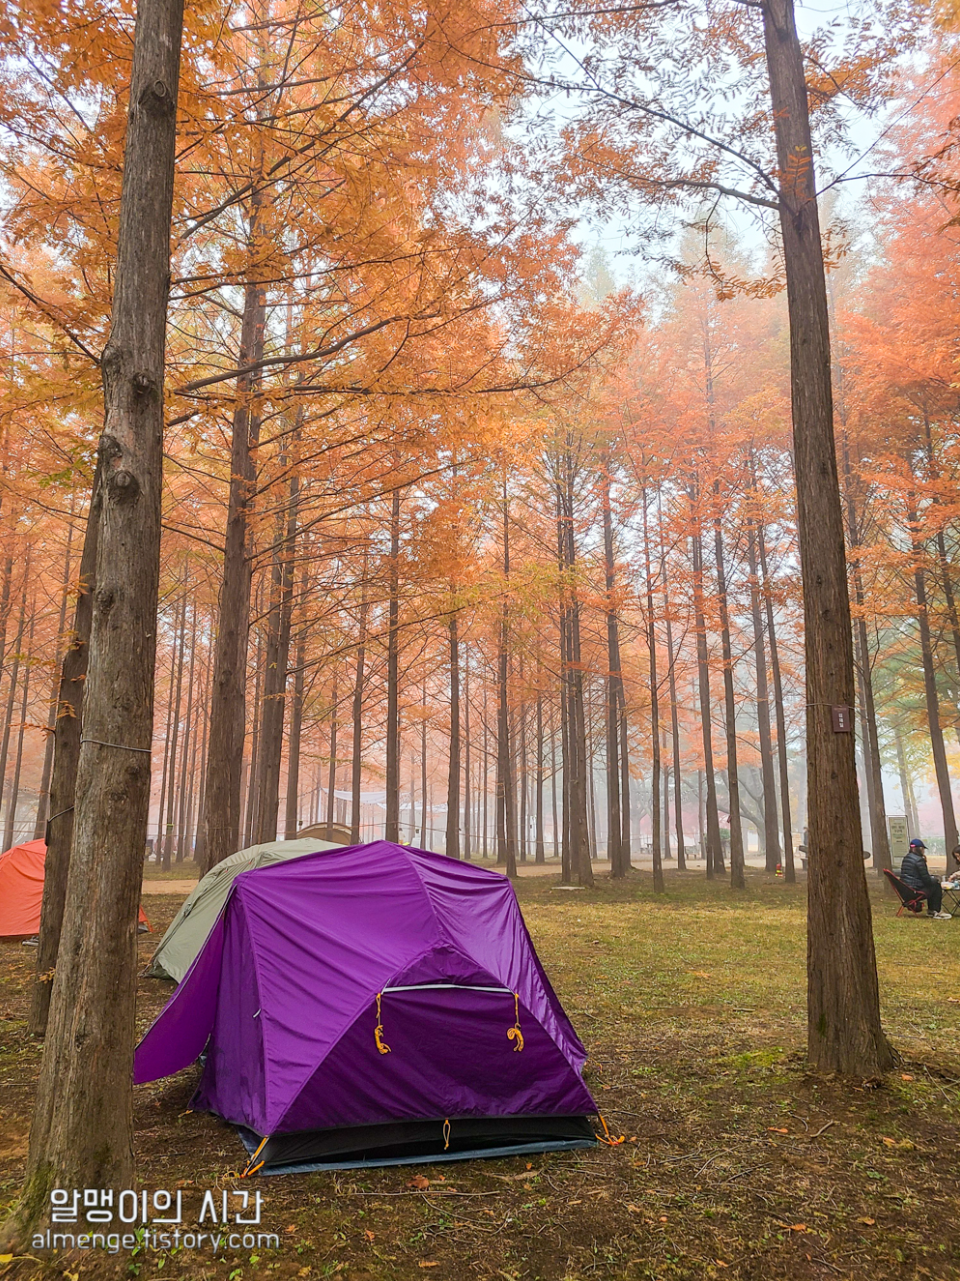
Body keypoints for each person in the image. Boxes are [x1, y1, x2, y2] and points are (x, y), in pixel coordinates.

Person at [900, 839, 952, 919]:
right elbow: (926, 880)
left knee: (933, 884)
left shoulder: (906, 858)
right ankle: (935, 910)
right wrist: (936, 879)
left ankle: (932, 910)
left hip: (906, 889)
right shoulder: (919, 860)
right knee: (936, 886)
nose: (924, 851)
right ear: (920, 849)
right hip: (915, 890)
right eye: (923, 849)